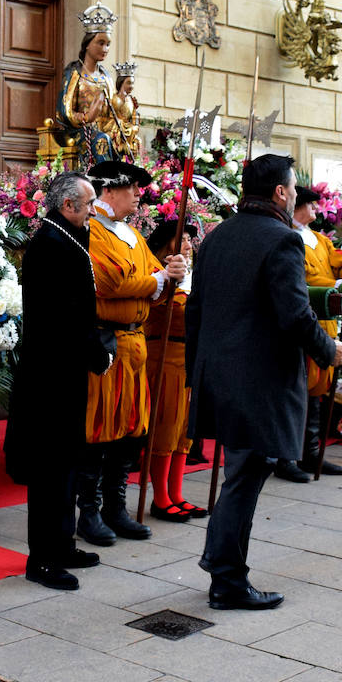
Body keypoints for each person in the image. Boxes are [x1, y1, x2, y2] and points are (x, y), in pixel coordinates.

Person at [187, 154, 342, 611]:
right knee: (246, 476)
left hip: (218, 374)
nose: (297, 193)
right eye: (294, 186)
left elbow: (195, 309)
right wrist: (328, 350)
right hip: (257, 380)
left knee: (241, 474)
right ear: (280, 192)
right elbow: (294, 314)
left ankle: (219, 561)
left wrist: (197, 374)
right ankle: (228, 581)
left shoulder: (217, 236)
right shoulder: (283, 240)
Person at [4, 172, 110, 590]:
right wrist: (97, 352)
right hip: (50, 376)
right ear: (68, 206)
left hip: (64, 373)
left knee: (68, 461)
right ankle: (42, 560)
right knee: (50, 469)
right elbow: (66, 315)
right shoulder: (51, 244)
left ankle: (62, 544)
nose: (92, 212)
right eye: (88, 205)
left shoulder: (64, 237)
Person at [78, 159, 186, 547]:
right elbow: (111, 281)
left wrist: (170, 274)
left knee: (131, 430)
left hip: (136, 344)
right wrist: (158, 279)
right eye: (133, 188)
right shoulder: (92, 233)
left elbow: (155, 284)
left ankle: (115, 508)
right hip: (105, 345)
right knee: (99, 429)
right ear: (109, 190)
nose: (139, 196)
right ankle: (88, 512)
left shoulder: (134, 236)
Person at [273, 185, 342, 483]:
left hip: (325, 323)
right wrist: (335, 282)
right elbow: (305, 279)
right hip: (301, 321)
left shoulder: (322, 240)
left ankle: (311, 452)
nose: (315, 211)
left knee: (319, 390)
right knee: (296, 391)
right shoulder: (286, 235)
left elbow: (341, 265)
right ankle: (286, 457)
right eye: (312, 205)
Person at [141, 219, 204, 522]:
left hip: (190, 356)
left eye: (191, 239)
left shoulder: (193, 275)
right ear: (168, 242)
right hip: (164, 354)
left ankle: (176, 493)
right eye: (185, 239)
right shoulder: (156, 272)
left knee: (184, 430)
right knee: (166, 425)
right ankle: (160, 498)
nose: (190, 245)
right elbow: (169, 309)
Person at [58, 0, 119, 170]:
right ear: (87, 44)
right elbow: (64, 111)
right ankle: (106, 186)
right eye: (101, 43)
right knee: (101, 140)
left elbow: (114, 109)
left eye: (108, 44)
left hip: (105, 131)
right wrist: (87, 117)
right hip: (78, 133)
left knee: (116, 141)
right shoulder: (74, 73)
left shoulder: (106, 77)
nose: (105, 49)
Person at [107, 62, 144, 161]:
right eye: (128, 83)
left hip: (129, 129)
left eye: (132, 83)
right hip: (116, 127)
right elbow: (109, 115)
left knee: (138, 141)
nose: (131, 86)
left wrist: (135, 125)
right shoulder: (114, 98)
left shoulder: (131, 100)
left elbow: (134, 115)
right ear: (121, 83)